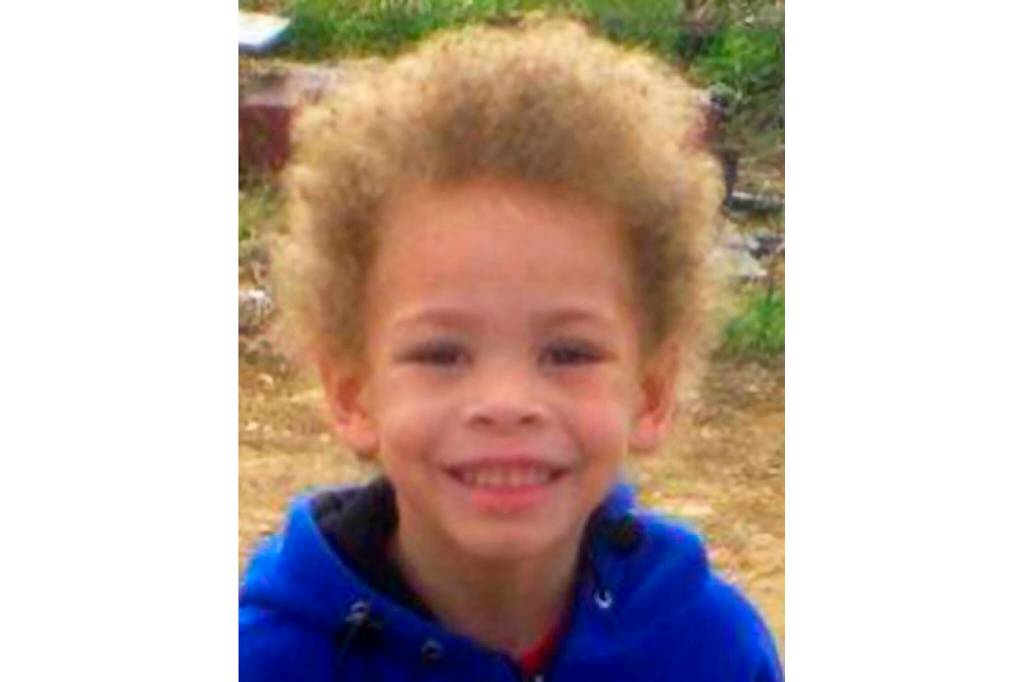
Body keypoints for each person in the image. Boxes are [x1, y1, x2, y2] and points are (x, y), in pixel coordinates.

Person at [239, 17, 783, 682]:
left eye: (568, 353)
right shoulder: (265, 661)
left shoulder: (708, 652)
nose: (506, 402)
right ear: (353, 394)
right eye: (442, 354)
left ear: (650, 393)